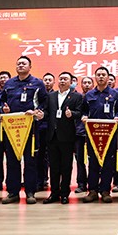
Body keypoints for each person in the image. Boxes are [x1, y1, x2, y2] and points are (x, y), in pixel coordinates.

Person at [0, 56, 47, 204]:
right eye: (18, 63)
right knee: (12, 161)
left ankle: (30, 192)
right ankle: (12, 192)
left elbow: (45, 102)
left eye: (24, 63)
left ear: (30, 67)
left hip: (30, 128)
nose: (20, 65)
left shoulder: (38, 83)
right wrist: (4, 108)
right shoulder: (9, 83)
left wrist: (38, 111)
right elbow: (2, 100)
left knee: (30, 161)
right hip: (12, 127)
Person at [81, 67, 118, 203]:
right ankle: (92, 191)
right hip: (92, 135)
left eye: (103, 75)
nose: (100, 77)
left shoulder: (115, 94)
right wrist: (84, 117)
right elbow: (84, 111)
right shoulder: (88, 95)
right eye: (98, 74)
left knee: (108, 163)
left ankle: (105, 191)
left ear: (108, 77)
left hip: (109, 134)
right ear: (95, 77)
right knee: (93, 162)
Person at [43, 72, 83, 205]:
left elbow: (80, 113)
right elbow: (47, 112)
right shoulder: (51, 96)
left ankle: (65, 194)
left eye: (65, 79)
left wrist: (72, 114)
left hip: (67, 136)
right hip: (52, 136)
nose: (62, 81)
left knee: (66, 167)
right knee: (53, 167)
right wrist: (41, 114)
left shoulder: (77, 96)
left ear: (71, 82)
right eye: (60, 79)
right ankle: (54, 193)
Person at [74, 76, 94, 194]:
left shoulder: (96, 97)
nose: (86, 85)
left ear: (93, 85)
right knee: (80, 160)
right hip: (79, 133)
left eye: (89, 82)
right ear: (81, 85)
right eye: (84, 83)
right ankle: (81, 184)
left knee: (94, 160)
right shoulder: (77, 98)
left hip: (94, 133)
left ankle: (93, 184)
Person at [37, 72, 56, 191]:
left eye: (50, 80)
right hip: (40, 129)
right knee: (40, 156)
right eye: (45, 80)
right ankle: (41, 180)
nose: (47, 82)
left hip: (53, 130)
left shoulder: (56, 95)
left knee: (52, 157)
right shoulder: (39, 95)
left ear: (54, 82)